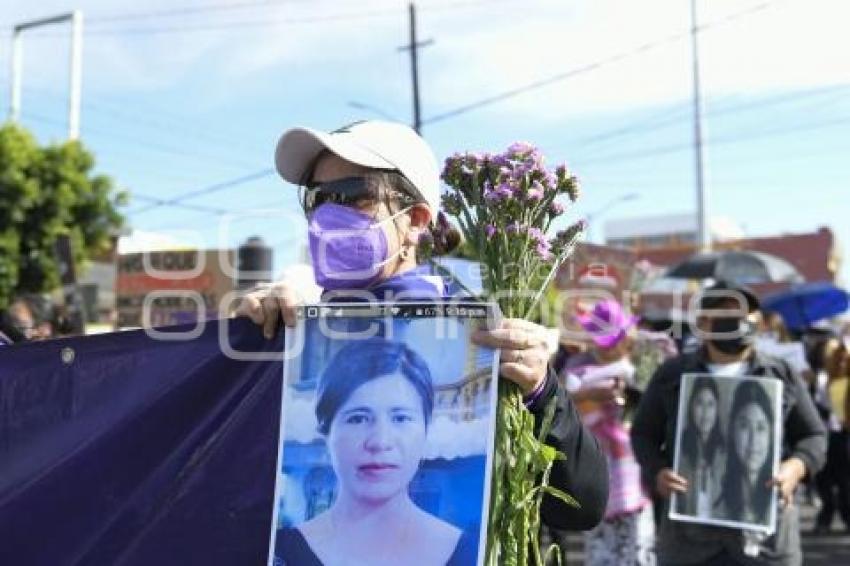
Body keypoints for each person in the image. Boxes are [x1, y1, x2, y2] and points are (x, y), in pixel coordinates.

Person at [237, 120, 608, 533]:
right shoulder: (294, 334)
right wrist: (246, 341)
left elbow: (582, 505)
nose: (327, 215)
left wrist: (541, 394)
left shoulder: (479, 341)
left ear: (415, 219)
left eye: (351, 196)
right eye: (317, 199)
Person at [630, 281, 826, 566]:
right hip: (689, 543)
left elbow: (813, 436)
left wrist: (796, 467)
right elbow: (643, 434)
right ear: (702, 322)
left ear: (757, 322)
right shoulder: (673, 374)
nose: (738, 322)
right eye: (726, 314)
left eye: (746, 315)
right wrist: (657, 471)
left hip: (764, 543)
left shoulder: (781, 374)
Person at [275, 338, 476, 565]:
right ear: (326, 433)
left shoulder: (469, 553)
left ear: (426, 430)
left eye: (400, 418)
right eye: (358, 418)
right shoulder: (280, 552)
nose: (380, 441)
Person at [561, 299, 656, 566]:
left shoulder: (640, 366)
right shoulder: (578, 366)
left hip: (633, 472)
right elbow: (558, 401)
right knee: (600, 550)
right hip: (594, 467)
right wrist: (589, 395)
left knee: (638, 548)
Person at [713, 380, 775, 526]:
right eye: (744, 426)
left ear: (771, 435)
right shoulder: (716, 500)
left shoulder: (781, 501)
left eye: (761, 428)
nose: (753, 440)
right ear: (732, 431)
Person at [674, 376, 724, 519]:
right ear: (691, 407)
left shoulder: (725, 453)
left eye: (710, 404)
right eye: (699, 403)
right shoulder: (679, 449)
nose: (705, 412)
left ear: (717, 409)